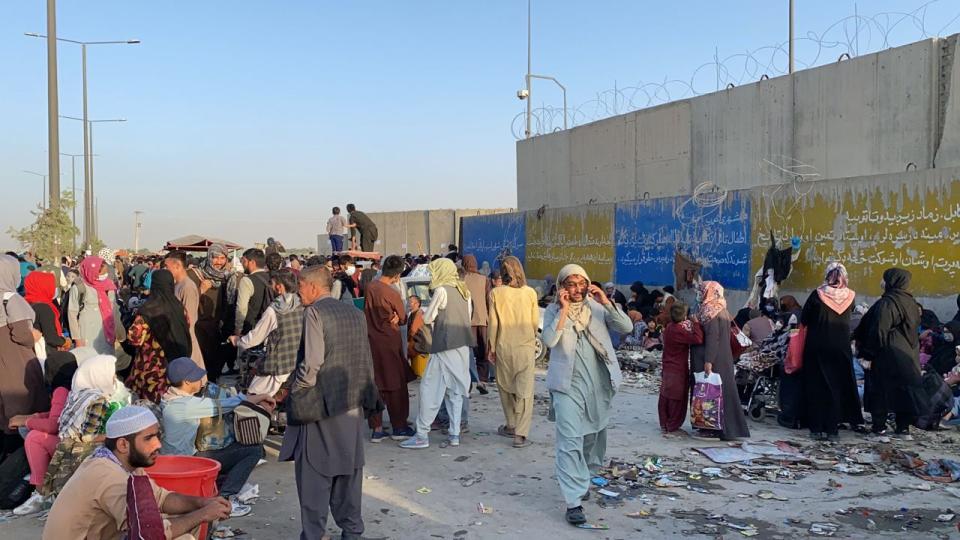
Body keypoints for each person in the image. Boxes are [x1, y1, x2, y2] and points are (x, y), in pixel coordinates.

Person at [280, 265, 378, 540]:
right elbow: (364, 357)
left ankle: (314, 534)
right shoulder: (354, 313)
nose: (298, 293)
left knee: (314, 474)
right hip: (351, 404)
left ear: (312, 286)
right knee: (349, 470)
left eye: (299, 287)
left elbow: (311, 364)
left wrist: (295, 389)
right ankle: (352, 530)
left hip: (320, 406)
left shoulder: (315, 312)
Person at [43, 405, 232, 540]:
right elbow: (148, 533)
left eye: (158, 436)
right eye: (149, 438)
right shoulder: (107, 475)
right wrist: (202, 514)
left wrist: (202, 502)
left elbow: (159, 498)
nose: (158, 444)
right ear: (123, 444)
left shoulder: (127, 464)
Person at [540, 264, 632, 525]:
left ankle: (584, 478)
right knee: (569, 440)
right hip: (566, 387)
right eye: (571, 284)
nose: (577, 289)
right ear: (562, 287)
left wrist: (606, 301)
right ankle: (573, 502)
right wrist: (564, 312)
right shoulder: (552, 311)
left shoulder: (598, 308)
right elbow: (549, 341)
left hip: (597, 384)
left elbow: (625, 327)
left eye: (581, 283)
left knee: (591, 437)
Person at [160, 358, 275, 517]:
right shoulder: (186, 405)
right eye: (196, 377)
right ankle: (225, 500)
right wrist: (261, 397)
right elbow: (230, 403)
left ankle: (219, 487)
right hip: (186, 462)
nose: (200, 380)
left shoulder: (168, 398)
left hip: (174, 459)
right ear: (186, 382)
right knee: (254, 450)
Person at [400, 258, 475, 450]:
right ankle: (454, 434)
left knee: (429, 389)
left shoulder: (442, 291)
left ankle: (421, 435)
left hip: (444, 347)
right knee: (455, 392)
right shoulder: (464, 291)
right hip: (462, 348)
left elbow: (429, 317)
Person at [40, 355, 124, 500]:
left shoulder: (78, 394)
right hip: (81, 455)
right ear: (99, 375)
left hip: (64, 450)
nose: (114, 378)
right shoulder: (98, 400)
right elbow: (88, 436)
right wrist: (117, 434)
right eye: (111, 374)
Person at [855, 268, 926, 439]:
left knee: (880, 390)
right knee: (904, 392)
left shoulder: (888, 303)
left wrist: (868, 354)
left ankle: (879, 428)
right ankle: (903, 428)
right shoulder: (911, 303)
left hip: (887, 354)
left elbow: (879, 330)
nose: (882, 282)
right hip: (908, 354)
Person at [800, 263, 865, 441]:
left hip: (817, 346)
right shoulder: (850, 296)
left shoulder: (818, 294)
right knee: (836, 387)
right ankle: (832, 429)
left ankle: (816, 428)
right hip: (841, 347)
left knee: (816, 385)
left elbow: (804, 319)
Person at [487, 256, 539, 448]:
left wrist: (491, 346)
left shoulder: (495, 293)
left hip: (503, 346)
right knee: (525, 391)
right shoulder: (530, 293)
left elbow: (493, 322)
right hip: (525, 347)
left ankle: (511, 424)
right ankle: (521, 434)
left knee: (505, 386)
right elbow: (534, 324)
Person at [0, 254, 48, 461]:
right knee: (22, 398)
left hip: (3, 358)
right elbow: (21, 334)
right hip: (16, 358)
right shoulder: (11, 298)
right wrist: (34, 336)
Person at [691, 281, 750, 441]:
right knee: (723, 393)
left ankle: (712, 429)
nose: (699, 294)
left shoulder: (710, 311)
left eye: (701, 291)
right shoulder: (721, 309)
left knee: (712, 394)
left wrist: (708, 360)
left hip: (714, 360)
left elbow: (713, 337)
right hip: (723, 358)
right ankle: (727, 429)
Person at [363, 256, 414, 442]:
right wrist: (396, 317)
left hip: (371, 340)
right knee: (395, 384)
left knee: (376, 382)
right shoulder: (392, 293)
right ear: (398, 274)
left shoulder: (370, 287)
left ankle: (376, 427)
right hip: (389, 341)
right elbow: (402, 317)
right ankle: (399, 426)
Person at [231, 268, 303, 396]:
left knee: (253, 397)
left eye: (272, 284)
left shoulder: (274, 310)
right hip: (297, 363)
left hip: (278, 365)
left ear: (279, 287)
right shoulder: (302, 304)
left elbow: (254, 338)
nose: (271, 287)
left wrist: (238, 341)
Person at [127, 269, 192, 403]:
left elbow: (135, 338)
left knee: (149, 406)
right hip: (175, 365)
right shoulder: (179, 307)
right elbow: (188, 326)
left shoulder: (147, 309)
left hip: (151, 366)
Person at [189, 244, 238, 382]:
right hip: (197, 328)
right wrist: (201, 290)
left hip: (215, 328)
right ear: (209, 257)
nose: (219, 262)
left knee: (213, 367)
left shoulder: (225, 277)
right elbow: (184, 302)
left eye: (223, 258)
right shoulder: (194, 275)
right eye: (216, 258)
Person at [659, 303, 703, 437]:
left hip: (668, 366)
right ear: (684, 316)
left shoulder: (669, 327)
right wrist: (696, 324)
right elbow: (698, 339)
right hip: (677, 368)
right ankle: (672, 426)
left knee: (665, 395)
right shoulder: (679, 330)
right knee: (676, 398)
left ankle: (665, 423)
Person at [68, 256, 120, 354]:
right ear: (92, 271)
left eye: (105, 273)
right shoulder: (79, 287)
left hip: (106, 333)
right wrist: (77, 340)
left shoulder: (109, 285)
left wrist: (118, 331)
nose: (104, 276)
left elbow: (114, 310)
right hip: (87, 333)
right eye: (101, 274)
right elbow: (72, 314)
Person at [164, 251, 205, 369]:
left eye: (167, 267)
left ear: (177, 266)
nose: (165, 270)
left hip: (185, 339)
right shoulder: (177, 285)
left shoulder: (187, 286)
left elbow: (190, 318)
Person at [462, 255, 492, 392]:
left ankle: (467, 382)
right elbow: (488, 300)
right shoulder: (484, 279)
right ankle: (482, 381)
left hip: (467, 321)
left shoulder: (461, 280)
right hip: (482, 321)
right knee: (482, 353)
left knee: (466, 354)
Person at [24, 271, 71, 356]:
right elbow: (51, 338)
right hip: (45, 353)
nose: (54, 288)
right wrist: (66, 342)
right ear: (43, 286)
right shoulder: (43, 308)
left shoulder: (25, 302)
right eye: (52, 285)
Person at [234, 248, 273, 339]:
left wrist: (238, 329)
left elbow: (241, 308)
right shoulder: (271, 278)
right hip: (268, 326)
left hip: (250, 327)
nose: (242, 264)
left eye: (243, 261)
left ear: (252, 262)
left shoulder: (246, 280)